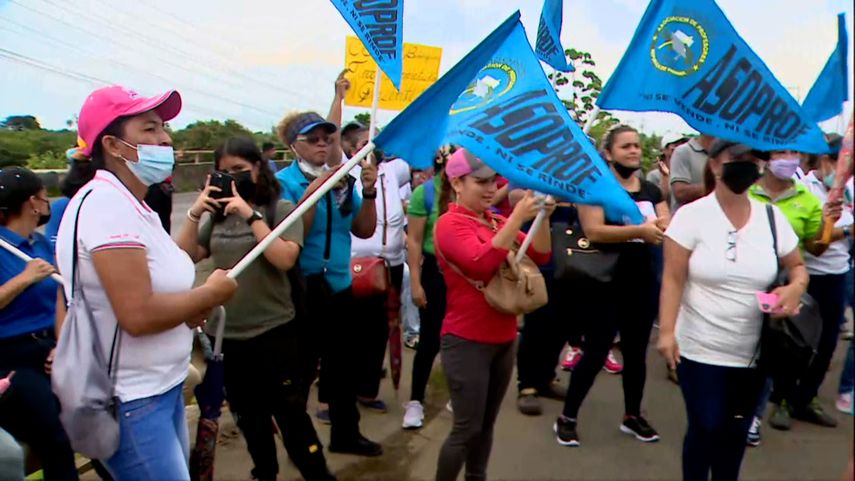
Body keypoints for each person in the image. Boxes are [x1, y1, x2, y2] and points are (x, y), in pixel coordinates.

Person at [55, 85, 237, 481]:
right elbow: (137, 314)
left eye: (164, 127)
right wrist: (209, 294)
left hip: (158, 388)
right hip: (132, 400)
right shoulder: (107, 206)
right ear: (112, 145)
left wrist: (190, 306)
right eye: (150, 129)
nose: (165, 138)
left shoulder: (133, 204)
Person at [175, 137, 335, 481]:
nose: (232, 177)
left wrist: (250, 214)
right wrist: (196, 212)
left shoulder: (279, 209)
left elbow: (284, 257)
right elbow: (186, 255)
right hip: (227, 338)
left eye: (240, 170)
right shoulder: (217, 218)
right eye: (225, 172)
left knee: (291, 416)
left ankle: (317, 473)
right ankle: (265, 471)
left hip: (274, 334)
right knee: (249, 418)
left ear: (258, 169)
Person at [658, 139, 808, 481]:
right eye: (738, 157)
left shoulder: (771, 218)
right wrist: (666, 332)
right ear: (714, 164)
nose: (748, 164)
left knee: (735, 433)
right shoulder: (691, 217)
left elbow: (798, 267)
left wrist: (795, 287)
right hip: (699, 349)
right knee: (705, 426)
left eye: (755, 158)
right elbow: (673, 279)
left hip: (754, 352)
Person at [433, 149, 552, 481]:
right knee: (466, 428)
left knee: (485, 426)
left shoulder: (495, 221)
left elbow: (542, 254)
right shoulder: (449, 224)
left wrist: (542, 216)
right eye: (481, 182)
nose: (490, 189)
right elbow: (480, 264)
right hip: (466, 340)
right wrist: (517, 217)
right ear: (457, 183)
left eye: (493, 182)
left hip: (504, 337)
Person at [274, 110, 382, 457]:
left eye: (327, 138)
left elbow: (363, 229)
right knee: (300, 371)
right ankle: (300, 445)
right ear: (294, 145)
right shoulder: (284, 183)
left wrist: (368, 193)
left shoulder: (343, 181)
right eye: (312, 139)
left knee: (343, 367)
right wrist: (313, 193)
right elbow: (293, 235)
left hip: (339, 285)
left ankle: (346, 435)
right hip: (302, 288)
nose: (322, 144)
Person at [556, 125, 667, 447]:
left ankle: (632, 415)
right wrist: (640, 231)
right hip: (604, 282)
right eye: (625, 146)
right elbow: (593, 231)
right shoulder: (595, 188)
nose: (633, 151)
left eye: (636, 146)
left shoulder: (651, 190)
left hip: (643, 281)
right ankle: (567, 417)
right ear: (608, 153)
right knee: (596, 351)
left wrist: (661, 227)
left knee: (636, 354)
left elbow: (666, 222)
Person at [747, 147, 842, 438]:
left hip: (783, 286)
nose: (789, 159)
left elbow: (816, 248)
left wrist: (828, 223)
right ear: (766, 158)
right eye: (781, 152)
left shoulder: (807, 199)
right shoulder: (746, 192)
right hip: (745, 282)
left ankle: (755, 415)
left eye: (794, 153)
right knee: (744, 346)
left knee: (772, 347)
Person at [0, 167, 78, 481]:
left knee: (92, 412)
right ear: (33, 202)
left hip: (50, 346)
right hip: (11, 358)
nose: (49, 203)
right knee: (55, 433)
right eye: (45, 197)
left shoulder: (41, 244)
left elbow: (63, 296)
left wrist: (62, 345)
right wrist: (25, 278)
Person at [339, 122, 411, 412]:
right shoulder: (346, 172)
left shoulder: (394, 171)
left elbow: (418, 146)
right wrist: (338, 100)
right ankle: (344, 390)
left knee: (382, 329)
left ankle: (367, 390)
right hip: (359, 266)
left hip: (392, 264)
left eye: (378, 142)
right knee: (354, 330)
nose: (374, 147)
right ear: (352, 149)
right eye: (365, 143)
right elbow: (332, 144)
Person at [402, 147, 452, 430]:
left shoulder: (473, 190)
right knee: (430, 340)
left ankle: (458, 393)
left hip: (466, 276)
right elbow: (414, 240)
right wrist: (416, 283)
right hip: (435, 273)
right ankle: (415, 401)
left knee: (461, 341)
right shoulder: (426, 193)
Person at [670, 133, 715, 212]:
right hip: (688, 216)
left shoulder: (724, 154)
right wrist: (717, 187)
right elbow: (680, 192)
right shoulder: (683, 151)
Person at [647, 133, 688, 202]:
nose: (679, 149)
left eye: (682, 145)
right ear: (664, 150)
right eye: (675, 145)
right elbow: (655, 200)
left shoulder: (686, 173)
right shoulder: (654, 175)